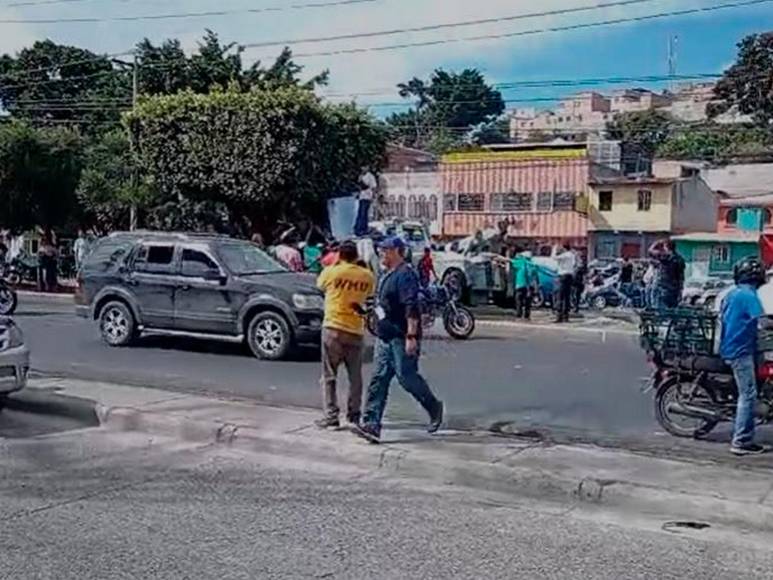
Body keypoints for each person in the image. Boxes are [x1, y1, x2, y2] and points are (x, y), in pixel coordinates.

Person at [355, 236, 444, 443]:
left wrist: (411, 336)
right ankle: (371, 424)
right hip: (384, 336)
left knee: (406, 377)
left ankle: (433, 407)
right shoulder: (386, 274)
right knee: (379, 378)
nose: (381, 254)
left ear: (396, 251)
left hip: (400, 336)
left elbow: (411, 307)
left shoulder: (405, 275)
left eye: (385, 250)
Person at [315, 241, 376, 429]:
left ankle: (331, 416)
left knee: (329, 375)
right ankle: (354, 415)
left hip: (333, 327)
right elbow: (370, 294)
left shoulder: (332, 272)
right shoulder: (367, 276)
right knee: (355, 376)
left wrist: (335, 263)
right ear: (356, 255)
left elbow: (320, 285)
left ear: (340, 255)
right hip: (355, 329)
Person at [719, 256, 768, 456]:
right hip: (740, 351)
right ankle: (741, 441)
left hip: (732, 347)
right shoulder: (749, 295)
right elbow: (763, 322)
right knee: (748, 394)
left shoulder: (733, 293)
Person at [649, 239, 685, 309]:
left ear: (666, 247)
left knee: (659, 309)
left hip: (662, 287)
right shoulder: (680, 259)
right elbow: (681, 277)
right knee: (672, 310)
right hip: (675, 289)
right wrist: (680, 290)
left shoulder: (665, 256)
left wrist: (657, 242)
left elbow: (650, 251)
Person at [554, 243, 576, 323]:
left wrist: (554, 249)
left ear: (564, 248)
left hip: (563, 276)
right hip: (570, 276)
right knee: (567, 297)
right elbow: (574, 264)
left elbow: (554, 258)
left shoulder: (565, 255)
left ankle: (559, 317)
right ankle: (565, 317)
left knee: (560, 296)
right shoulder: (572, 255)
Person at [511, 251, 536, 320]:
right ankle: (527, 316)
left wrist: (499, 258)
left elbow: (511, 261)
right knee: (528, 302)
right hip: (530, 286)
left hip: (520, 284)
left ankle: (519, 315)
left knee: (519, 301)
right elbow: (534, 276)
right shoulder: (532, 264)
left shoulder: (521, 262)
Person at [354, 167, 377, 237]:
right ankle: (358, 229)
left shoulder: (370, 176)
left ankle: (362, 229)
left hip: (367, 197)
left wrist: (373, 196)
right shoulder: (361, 176)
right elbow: (359, 187)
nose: (363, 169)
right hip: (362, 196)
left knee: (364, 213)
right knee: (360, 213)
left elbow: (372, 187)